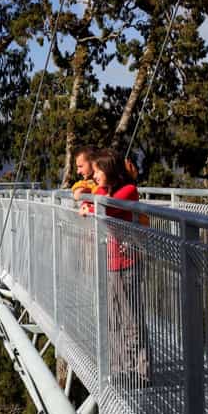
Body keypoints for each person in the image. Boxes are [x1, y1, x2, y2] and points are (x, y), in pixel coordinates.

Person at [79, 149, 151, 386]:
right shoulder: (111, 190)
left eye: (98, 171)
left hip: (127, 263)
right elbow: (95, 201)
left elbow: (104, 208)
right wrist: (92, 199)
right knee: (114, 319)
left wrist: (90, 203)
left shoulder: (128, 190)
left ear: (109, 171)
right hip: (111, 262)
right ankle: (121, 368)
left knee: (132, 319)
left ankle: (140, 372)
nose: (94, 175)